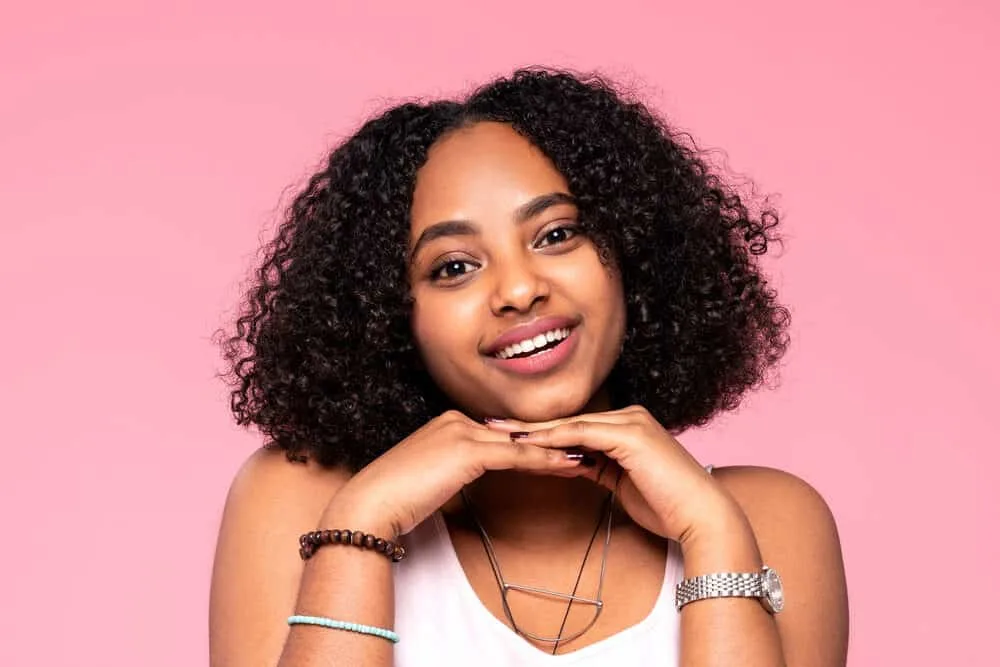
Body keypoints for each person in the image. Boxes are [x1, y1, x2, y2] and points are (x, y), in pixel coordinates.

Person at [209, 67, 849, 666]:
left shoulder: (766, 518)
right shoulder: (307, 500)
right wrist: (362, 526)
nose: (519, 291)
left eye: (556, 234)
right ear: (388, 316)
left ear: (633, 251)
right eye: (453, 267)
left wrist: (711, 535)